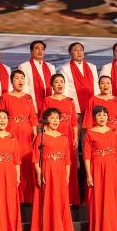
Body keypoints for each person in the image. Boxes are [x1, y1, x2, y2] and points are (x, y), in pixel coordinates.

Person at [28, 106, 77, 231]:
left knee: (59, 201)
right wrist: (39, 173)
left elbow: (67, 160)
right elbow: (36, 159)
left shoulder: (63, 138)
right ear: (46, 120)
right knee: (46, 201)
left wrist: (67, 176)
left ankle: (60, 230)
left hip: (60, 172)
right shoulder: (41, 137)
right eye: (52, 118)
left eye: (57, 118)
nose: (55, 121)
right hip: (46, 171)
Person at [84, 105, 117, 231]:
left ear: (108, 117)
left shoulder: (113, 132)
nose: (102, 117)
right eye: (99, 115)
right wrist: (89, 174)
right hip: (97, 169)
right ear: (94, 118)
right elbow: (86, 156)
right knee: (98, 199)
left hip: (112, 169)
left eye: (104, 115)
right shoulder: (89, 133)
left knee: (112, 199)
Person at [0, 70, 36, 203]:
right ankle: (14, 195)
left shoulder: (28, 97)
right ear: (11, 81)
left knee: (26, 160)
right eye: (17, 78)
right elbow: (0, 116)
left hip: (26, 133)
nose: (20, 80)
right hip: (11, 131)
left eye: (22, 78)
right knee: (13, 160)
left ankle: (28, 196)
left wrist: (34, 133)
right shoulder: (5, 97)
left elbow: (33, 117)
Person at [44, 73, 82, 205]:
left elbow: (74, 122)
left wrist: (75, 137)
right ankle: (56, 197)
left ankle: (70, 197)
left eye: (62, 81)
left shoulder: (70, 100)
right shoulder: (47, 100)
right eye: (56, 82)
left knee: (68, 163)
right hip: (52, 135)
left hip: (68, 135)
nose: (59, 84)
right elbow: (44, 121)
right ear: (52, 85)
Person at [61, 42, 98, 129]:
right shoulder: (65, 68)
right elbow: (65, 89)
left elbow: (96, 86)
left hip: (91, 105)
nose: (79, 52)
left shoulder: (92, 67)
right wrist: (68, 106)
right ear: (70, 53)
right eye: (75, 50)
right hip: (75, 106)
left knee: (90, 130)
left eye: (81, 50)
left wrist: (97, 102)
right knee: (76, 131)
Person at [17, 40, 56, 119]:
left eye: (42, 49)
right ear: (31, 51)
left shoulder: (51, 67)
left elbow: (53, 86)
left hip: (49, 106)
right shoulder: (24, 66)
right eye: (37, 48)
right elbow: (23, 88)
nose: (40, 51)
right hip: (32, 106)